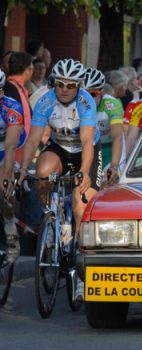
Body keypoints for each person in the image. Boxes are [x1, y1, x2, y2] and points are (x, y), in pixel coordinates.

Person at [19, 58, 102, 251]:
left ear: (79, 86)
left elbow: (87, 141)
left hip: (85, 150)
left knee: (80, 208)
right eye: (60, 83)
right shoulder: (45, 101)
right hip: (60, 148)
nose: (64, 89)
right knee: (42, 170)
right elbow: (33, 140)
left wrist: (84, 171)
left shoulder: (85, 102)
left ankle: (82, 258)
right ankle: (50, 217)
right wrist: (23, 169)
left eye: (71, 85)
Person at [0, 70, 27, 263]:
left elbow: (10, 147)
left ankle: (9, 224)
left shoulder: (11, 107)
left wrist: (7, 178)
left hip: (7, 147)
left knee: (1, 190)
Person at [85, 68, 125, 181]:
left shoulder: (112, 105)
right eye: (85, 94)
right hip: (90, 148)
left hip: (110, 148)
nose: (89, 99)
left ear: (101, 92)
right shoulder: (77, 103)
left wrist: (114, 166)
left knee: (108, 181)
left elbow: (117, 137)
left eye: (93, 94)